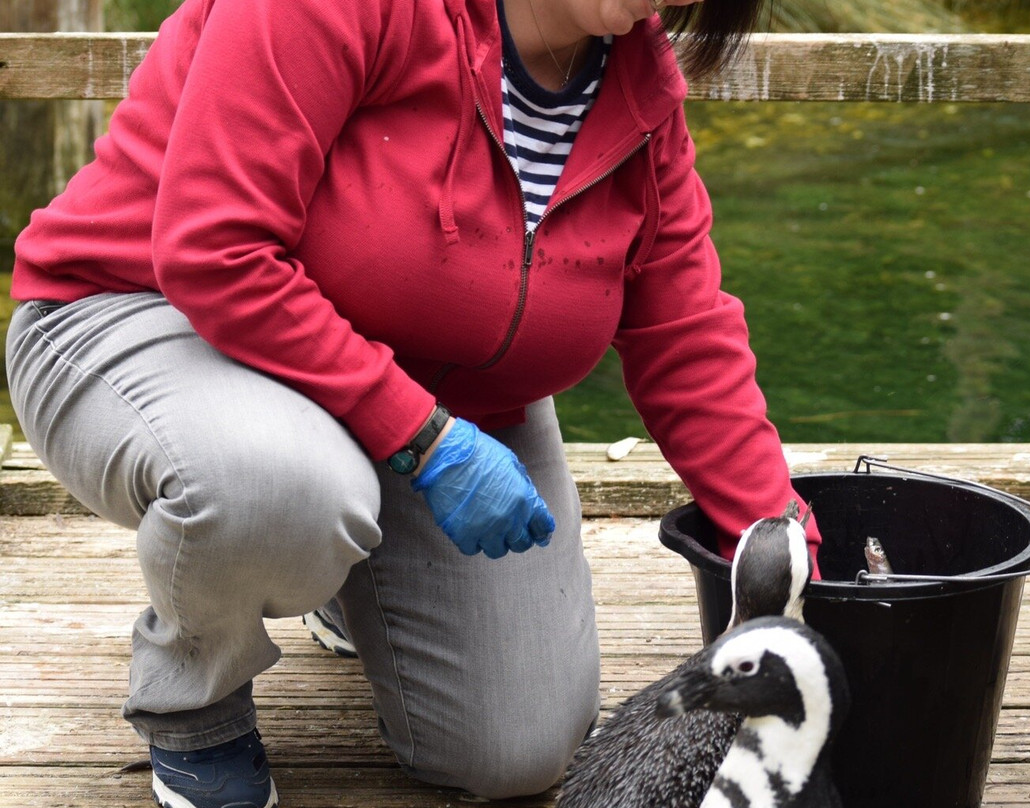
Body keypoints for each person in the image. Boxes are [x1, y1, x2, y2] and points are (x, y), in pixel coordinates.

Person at [5, 0, 822, 806]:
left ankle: (340, 579)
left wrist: (798, 548)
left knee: (519, 750)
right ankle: (193, 699)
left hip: (424, 386)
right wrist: (425, 439)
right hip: (145, 314)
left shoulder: (641, 88)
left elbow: (683, 335)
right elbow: (214, 249)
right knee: (277, 488)